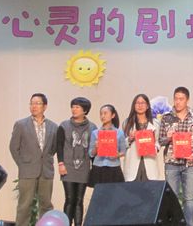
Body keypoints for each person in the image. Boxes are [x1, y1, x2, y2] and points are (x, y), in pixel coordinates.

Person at [9, 93, 58, 226]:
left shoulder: (53, 126)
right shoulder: (21, 124)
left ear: (45, 106)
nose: (33, 106)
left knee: (46, 205)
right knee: (24, 206)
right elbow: (14, 147)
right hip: (27, 170)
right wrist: (22, 164)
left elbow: (53, 148)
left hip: (46, 171)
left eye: (37, 103)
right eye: (31, 103)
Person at [159, 87, 193, 226]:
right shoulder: (166, 117)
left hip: (189, 164)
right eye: (176, 99)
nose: (178, 102)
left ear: (187, 100)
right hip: (171, 163)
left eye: (181, 99)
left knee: (189, 199)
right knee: (172, 199)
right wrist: (168, 137)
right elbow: (160, 141)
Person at [57, 97, 97, 226]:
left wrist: (94, 169)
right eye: (73, 106)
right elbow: (59, 146)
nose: (74, 109)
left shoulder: (92, 127)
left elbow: (93, 149)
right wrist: (61, 164)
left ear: (85, 110)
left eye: (77, 107)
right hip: (67, 167)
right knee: (69, 199)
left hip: (84, 168)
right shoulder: (64, 125)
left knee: (79, 200)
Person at [122, 94, 161, 181]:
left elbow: (157, 142)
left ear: (147, 106)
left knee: (149, 188)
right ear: (134, 106)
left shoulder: (155, 123)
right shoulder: (127, 123)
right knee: (133, 188)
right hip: (133, 161)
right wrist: (129, 139)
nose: (140, 105)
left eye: (143, 103)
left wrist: (155, 148)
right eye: (137, 103)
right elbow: (123, 144)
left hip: (149, 161)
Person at [88, 104, 126, 186]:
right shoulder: (95, 133)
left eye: (105, 113)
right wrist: (96, 148)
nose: (102, 116)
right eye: (101, 114)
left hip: (114, 167)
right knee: (99, 192)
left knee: (113, 192)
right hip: (98, 166)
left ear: (113, 115)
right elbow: (91, 153)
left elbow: (123, 151)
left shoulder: (119, 133)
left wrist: (117, 155)